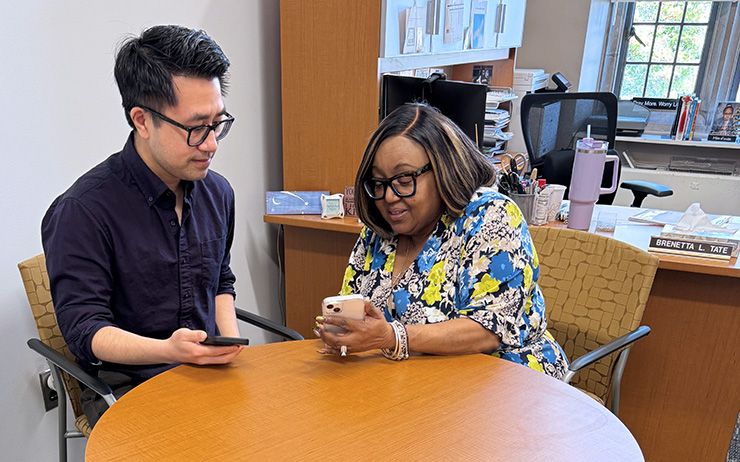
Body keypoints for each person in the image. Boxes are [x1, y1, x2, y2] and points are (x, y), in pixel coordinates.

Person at [42, 25, 242, 426]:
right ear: (142, 120)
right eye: (196, 128)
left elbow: (221, 282)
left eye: (218, 123)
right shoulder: (83, 210)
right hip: (127, 391)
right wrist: (170, 350)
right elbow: (87, 330)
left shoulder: (217, 193)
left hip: (208, 376)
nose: (212, 143)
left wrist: (235, 351)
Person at [314, 103, 568, 378]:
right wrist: (346, 334)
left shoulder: (491, 217)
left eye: (403, 179)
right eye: (379, 183)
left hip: (506, 382)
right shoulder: (379, 232)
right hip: (409, 383)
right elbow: (354, 306)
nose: (388, 196)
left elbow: (488, 331)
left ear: (443, 169)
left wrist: (391, 336)